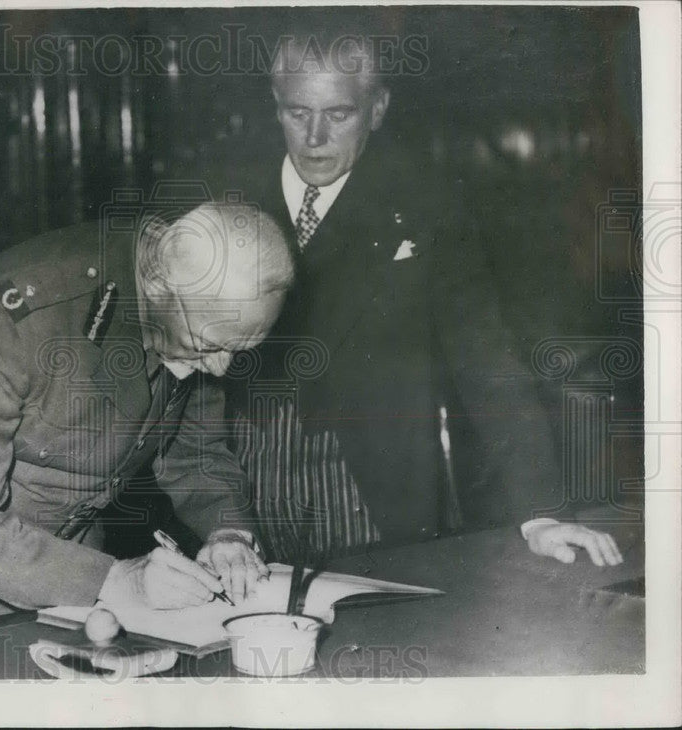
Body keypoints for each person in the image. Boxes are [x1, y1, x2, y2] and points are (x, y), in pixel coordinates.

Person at [226, 30, 622, 567]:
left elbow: (484, 355)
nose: (314, 136)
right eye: (299, 112)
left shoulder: (429, 207)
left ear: (378, 109)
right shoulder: (227, 198)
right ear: (276, 106)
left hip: (368, 491)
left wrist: (539, 511)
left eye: (339, 114)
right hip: (242, 487)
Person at [0, 203, 293, 637]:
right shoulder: (9, 321)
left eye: (239, 350)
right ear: (155, 283)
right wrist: (116, 579)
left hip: (65, 564)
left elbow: (195, 453)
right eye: (210, 346)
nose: (220, 369)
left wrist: (229, 532)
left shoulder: (202, 315)